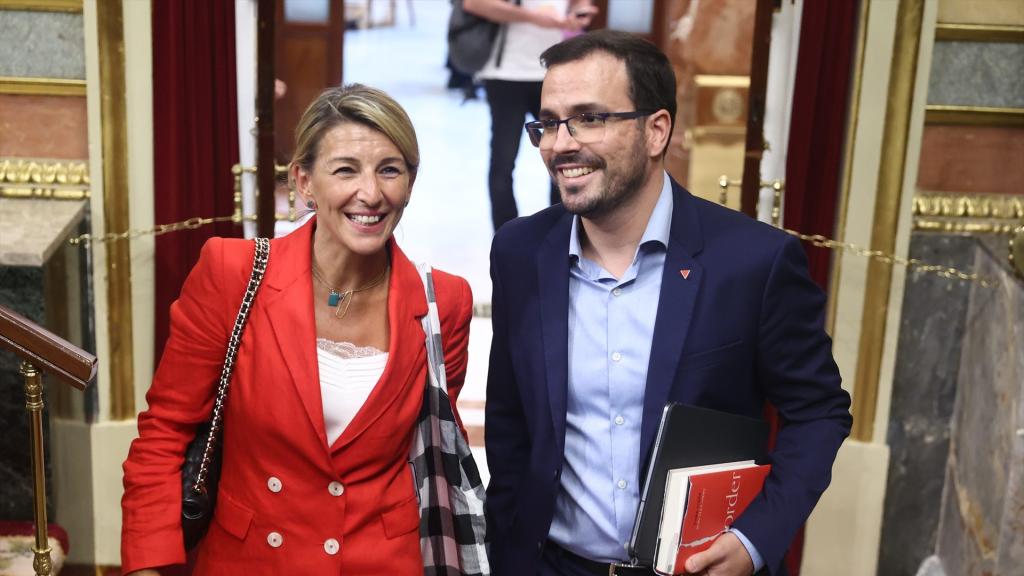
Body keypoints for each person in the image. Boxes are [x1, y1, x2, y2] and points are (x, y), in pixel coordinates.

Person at [484, 30, 852, 576]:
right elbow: (511, 419)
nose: (559, 144)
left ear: (656, 131)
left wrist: (755, 540)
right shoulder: (519, 253)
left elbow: (818, 412)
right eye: (549, 122)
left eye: (588, 118)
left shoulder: (753, 262)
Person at [121, 84, 474, 574]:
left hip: (383, 562)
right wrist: (147, 564)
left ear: (410, 183)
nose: (370, 193)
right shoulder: (232, 273)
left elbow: (429, 450)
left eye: (389, 170)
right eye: (345, 169)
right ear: (304, 183)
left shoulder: (445, 302)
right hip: (250, 561)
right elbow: (165, 432)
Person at [463, 0, 597, 231]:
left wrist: (579, 12)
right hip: (505, 73)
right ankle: (508, 236)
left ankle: (564, 230)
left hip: (554, 72)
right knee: (503, 162)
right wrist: (536, 18)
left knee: (566, 153)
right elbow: (474, 4)